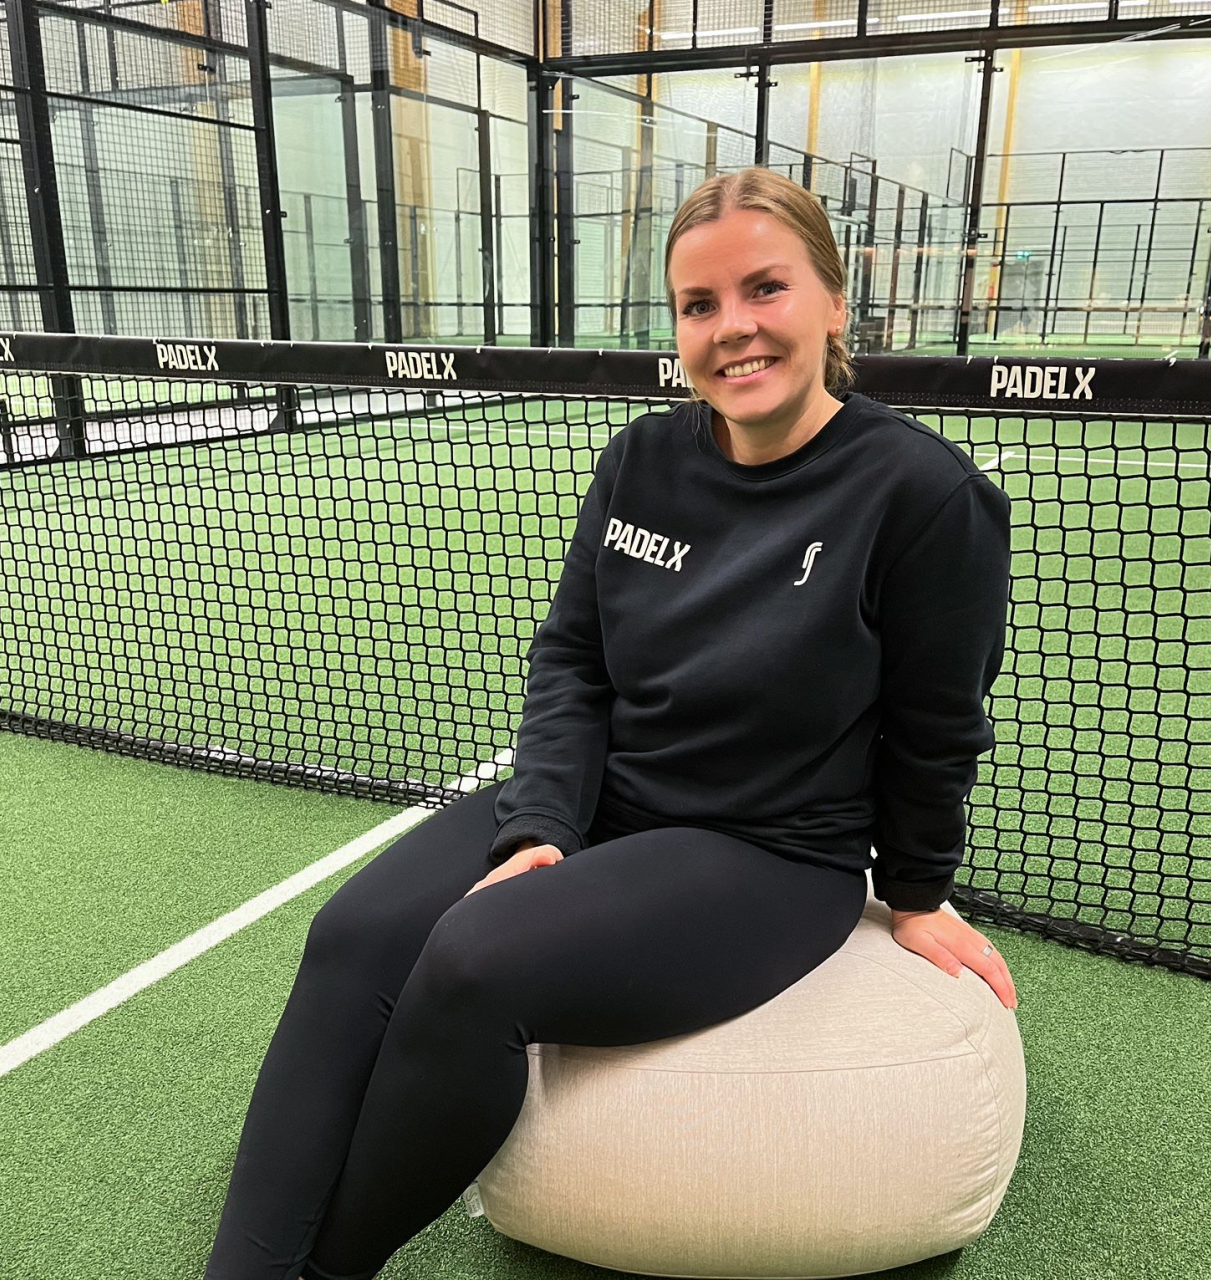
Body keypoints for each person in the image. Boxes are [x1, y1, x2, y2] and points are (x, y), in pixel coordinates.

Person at [203, 166, 1018, 1280]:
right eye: (698, 304)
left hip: (766, 853)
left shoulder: (925, 496)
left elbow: (938, 729)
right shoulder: (641, 458)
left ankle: (328, 1270)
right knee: (352, 936)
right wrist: (540, 825)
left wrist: (917, 894)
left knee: (474, 962)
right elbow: (574, 661)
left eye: (765, 288)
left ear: (834, 301)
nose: (732, 327)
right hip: (605, 798)